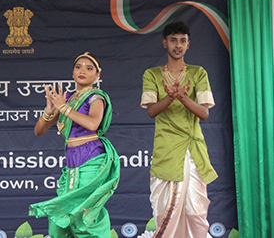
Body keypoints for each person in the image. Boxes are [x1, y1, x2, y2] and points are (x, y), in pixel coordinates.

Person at [29, 53, 121, 238]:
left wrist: (63, 108)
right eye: (79, 66)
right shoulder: (67, 98)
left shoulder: (96, 98)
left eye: (89, 68)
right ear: (72, 72)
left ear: (97, 75)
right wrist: (49, 110)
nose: (83, 71)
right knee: (61, 220)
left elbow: (93, 124)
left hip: (92, 158)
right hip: (71, 161)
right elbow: (39, 130)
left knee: (85, 217)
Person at [140, 22, 218, 238]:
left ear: (188, 44)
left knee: (195, 212)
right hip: (166, 151)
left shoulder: (198, 73)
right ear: (165, 42)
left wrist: (182, 96)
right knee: (165, 211)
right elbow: (152, 111)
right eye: (173, 40)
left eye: (182, 41)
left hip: (193, 152)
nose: (178, 45)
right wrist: (170, 96)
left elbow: (204, 113)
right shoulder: (152, 75)